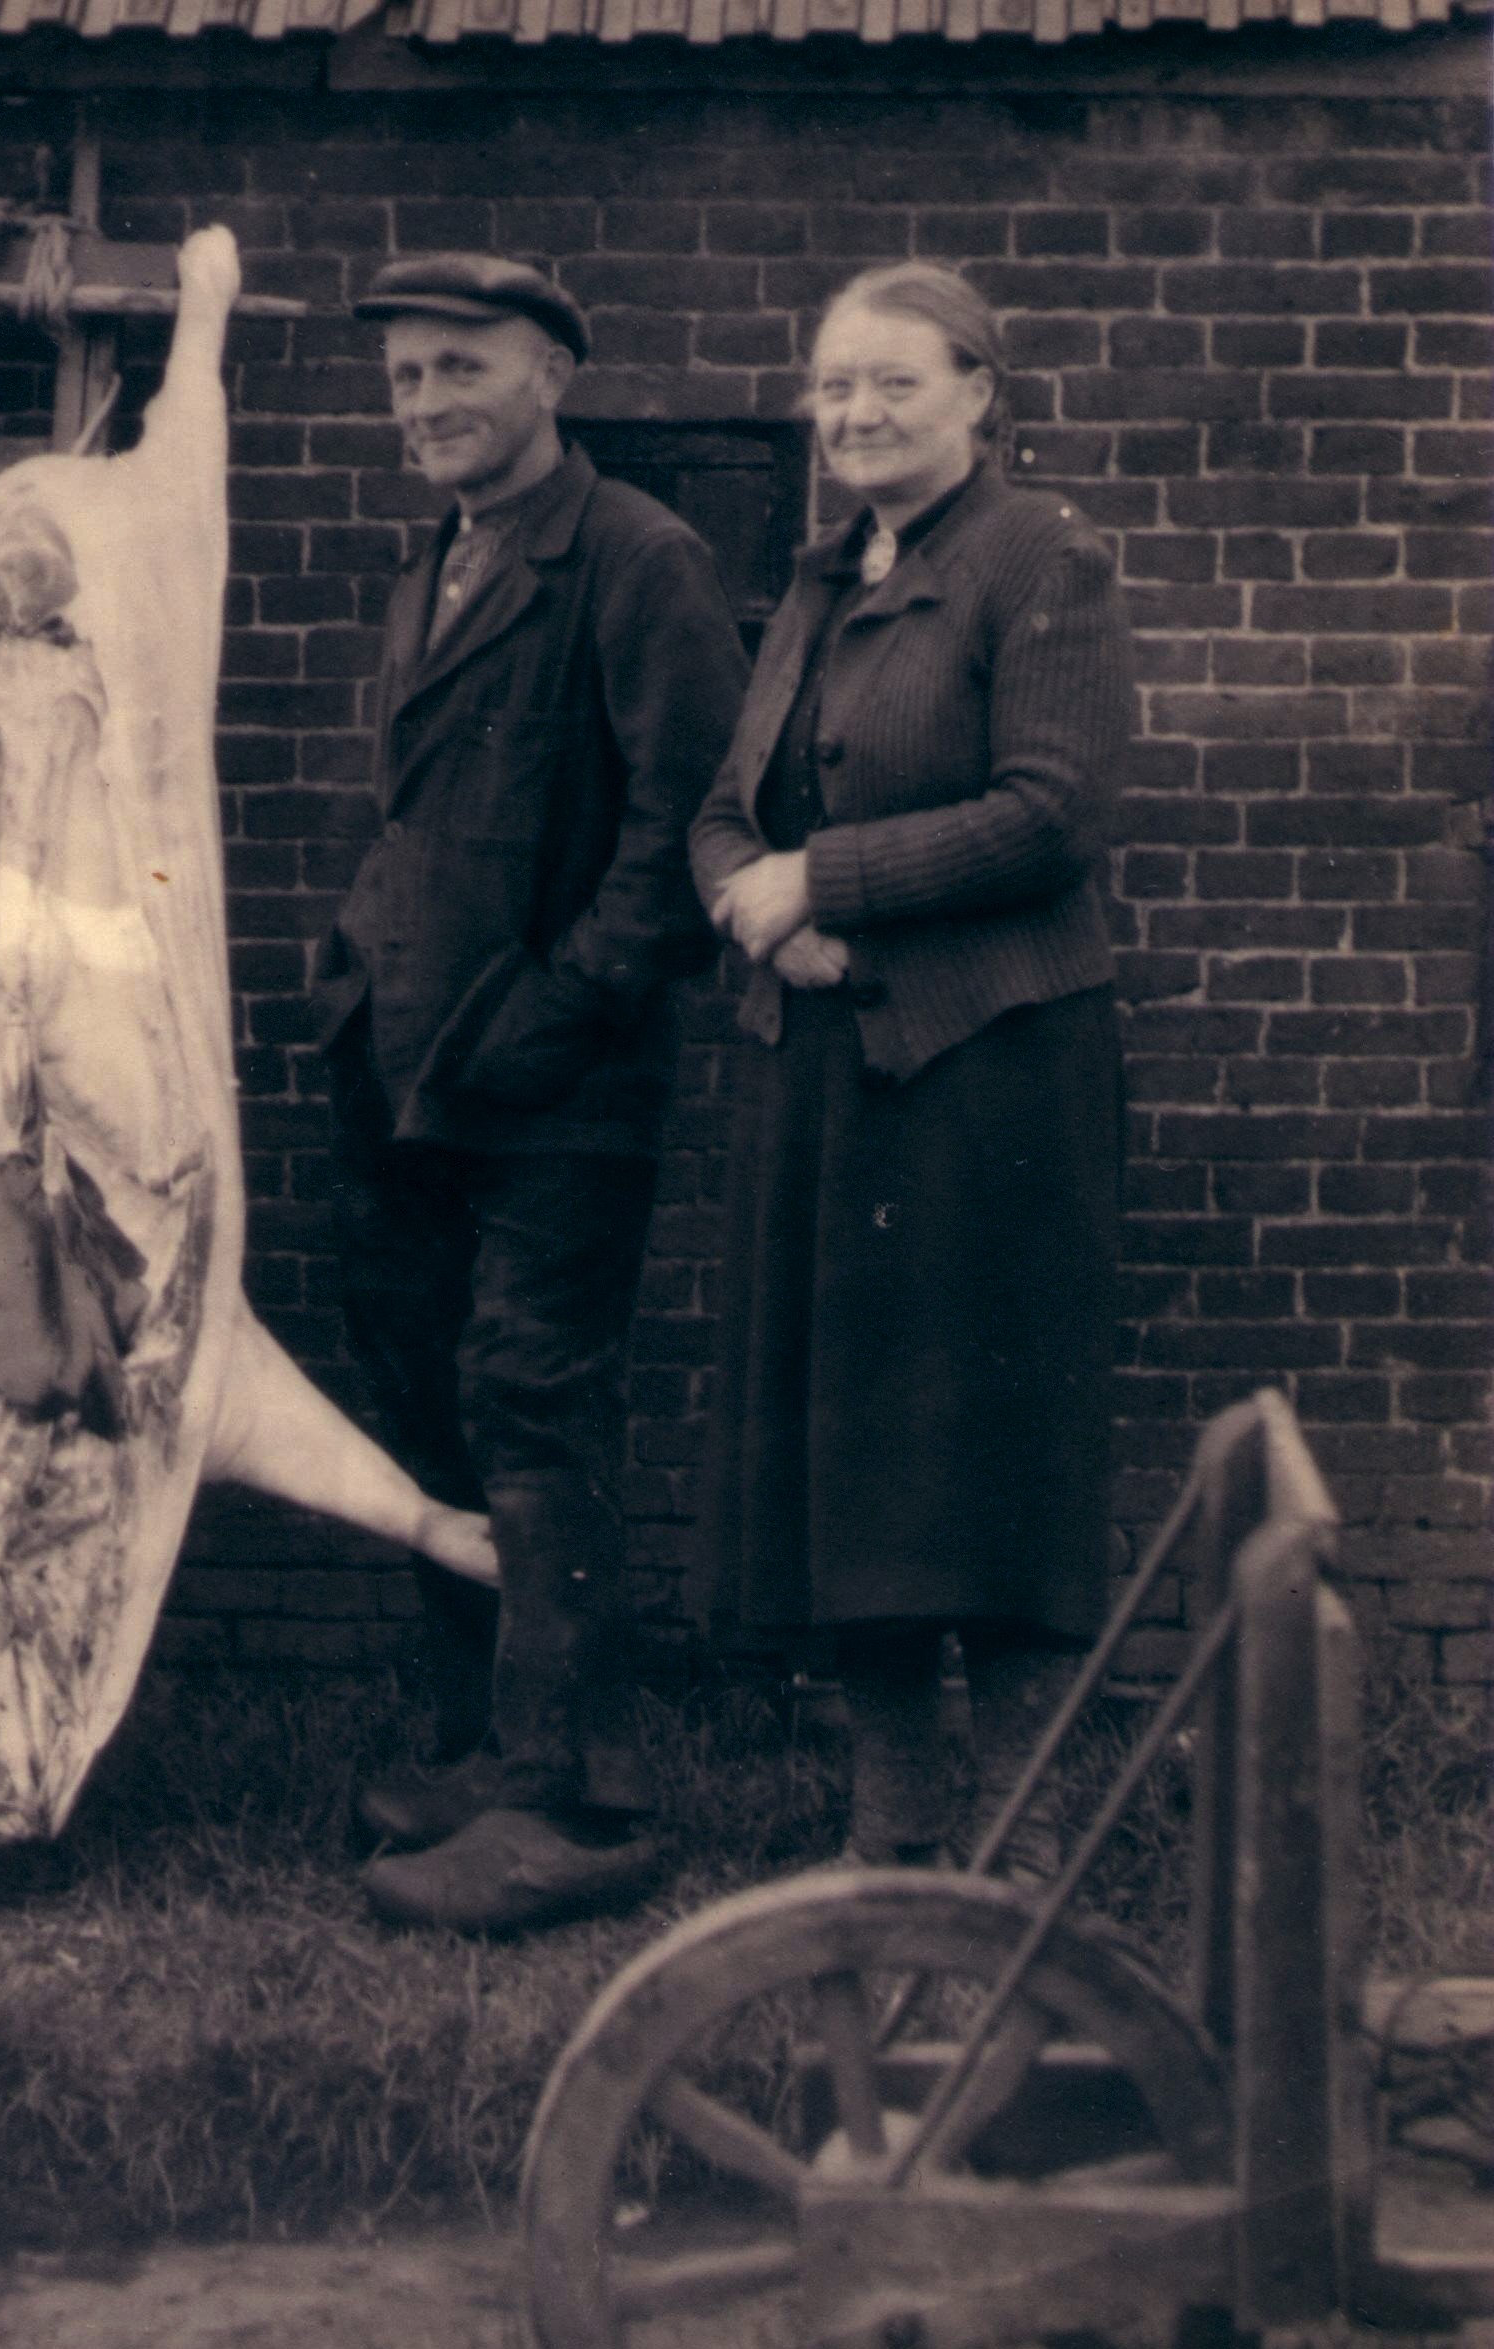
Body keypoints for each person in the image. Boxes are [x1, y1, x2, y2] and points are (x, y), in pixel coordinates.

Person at [308, 255, 751, 1936]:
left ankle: (577, 1794)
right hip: (403, 1060)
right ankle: (482, 1750)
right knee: (423, 1405)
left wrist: (563, 1006)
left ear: (551, 372)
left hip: (549, 1078)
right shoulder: (434, 555)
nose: (422, 403)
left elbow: (682, 819)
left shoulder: (633, 555)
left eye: (458, 369)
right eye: (403, 376)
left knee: (528, 1402)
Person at [690, 262, 1131, 1879]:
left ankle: (1024, 1867)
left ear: (976, 395)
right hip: (821, 1079)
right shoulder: (817, 577)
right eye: (829, 388)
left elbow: (1051, 813)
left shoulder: (1040, 561)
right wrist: (759, 914)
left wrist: (832, 885)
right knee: (849, 1479)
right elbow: (722, 811)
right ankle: (893, 1851)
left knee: (989, 1479)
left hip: (988, 1091)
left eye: (889, 383)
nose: (852, 414)